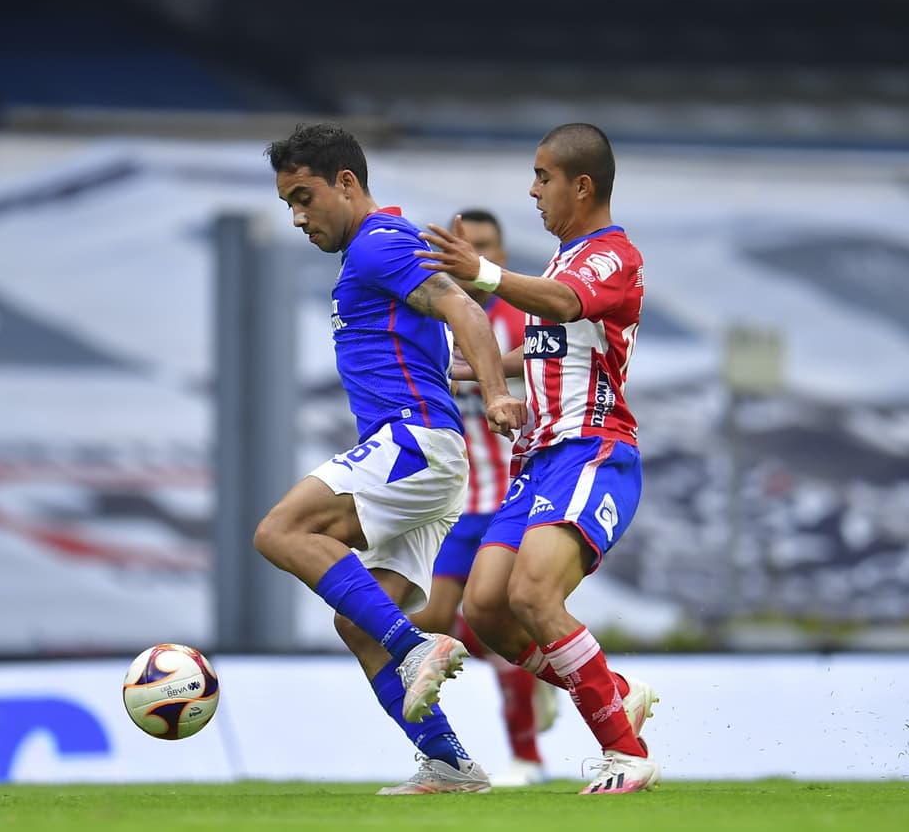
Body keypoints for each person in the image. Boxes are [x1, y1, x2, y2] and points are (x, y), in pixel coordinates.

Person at [255, 123, 528, 795]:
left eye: (304, 196)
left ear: (346, 182)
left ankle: (418, 647)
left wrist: (496, 393)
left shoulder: (380, 241)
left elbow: (464, 307)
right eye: (287, 202)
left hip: (412, 446)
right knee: (358, 622)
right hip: (426, 457)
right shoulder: (372, 256)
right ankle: (449, 762)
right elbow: (433, 336)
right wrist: (462, 371)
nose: (297, 216)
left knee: (281, 532)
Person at [415, 122, 662, 795]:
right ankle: (612, 689)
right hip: (539, 461)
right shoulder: (562, 258)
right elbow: (556, 346)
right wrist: (480, 368)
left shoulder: (613, 256)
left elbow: (566, 303)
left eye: (543, 177)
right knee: (489, 609)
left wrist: (485, 273)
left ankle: (626, 751)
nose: (533, 190)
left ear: (582, 186)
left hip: (593, 449)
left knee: (532, 592)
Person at [405, 208, 559, 788]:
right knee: (436, 623)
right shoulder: (430, 320)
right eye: (466, 247)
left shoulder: (522, 320)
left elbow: (551, 383)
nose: (475, 258)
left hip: (507, 496)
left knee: (491, 611)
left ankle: (528, 759)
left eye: (487, 247)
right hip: (451, 504)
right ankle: (531, 664)